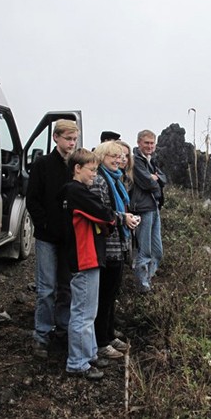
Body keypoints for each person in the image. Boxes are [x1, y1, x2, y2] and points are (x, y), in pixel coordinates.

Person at [59, 148, 115, 380]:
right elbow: (105, 214)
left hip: (88, 257)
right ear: (77, 168)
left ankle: (89, 353)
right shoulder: (76, 191)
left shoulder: (75, 191)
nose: (94, 174)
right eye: (91, 170)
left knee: (88, 311)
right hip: (84, 257)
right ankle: (77, 362)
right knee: (82, 312)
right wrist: (109, 219)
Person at [26, 119, 79, 358]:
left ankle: (63, 329)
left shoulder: (76, 166)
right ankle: (42, 335)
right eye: (68, 138)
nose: (72, 143)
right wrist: (44, 224)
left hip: (69, 237)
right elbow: (32, 199)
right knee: (46, 288)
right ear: (56, 137)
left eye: (75, 139)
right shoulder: (42, 164)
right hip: (48, 237)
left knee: (66, 287)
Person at [90, 142, 139, 360]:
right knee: (104, 295)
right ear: (102, 156)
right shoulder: (99, 181)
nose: (118, 160)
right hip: (107, 245)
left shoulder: (114, 179)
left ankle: (108, 335)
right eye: (113, 156)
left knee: (112, 293)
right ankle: (101, 342)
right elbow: (101, 212)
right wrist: (123, 218)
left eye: (120, 156)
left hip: (117, 244)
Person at [129, 130, 166, 292]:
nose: (150, 146)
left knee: (157, 252)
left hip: (154, 206)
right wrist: (154, 179)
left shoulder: (151, 160)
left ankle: (147, 281)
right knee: (144, 251)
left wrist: (156, 178)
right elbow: (148, 183)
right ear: (139, 143)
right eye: (146, 143)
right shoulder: (135, 161)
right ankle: (142, 286)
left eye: (152, 143)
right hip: (143, 208)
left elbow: (164, 178)